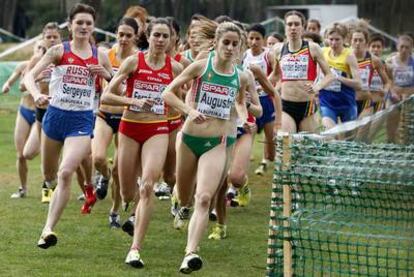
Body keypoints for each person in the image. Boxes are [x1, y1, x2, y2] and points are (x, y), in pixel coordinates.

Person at [163, 21, 250, 274]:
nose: (230, 48)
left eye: (235, 44)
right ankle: (181, 204)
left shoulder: (241, 76)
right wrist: (190, 110)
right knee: (185, 194)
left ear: (239, 47)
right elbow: (168, 93)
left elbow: (241, 103)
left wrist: (244, 116)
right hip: (190, 139)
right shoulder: (201, 67)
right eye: (226, 42)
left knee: (204, 198)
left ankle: (190, 253)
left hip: (217, 143)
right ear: (217, 43)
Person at [24, 3, 112, 249]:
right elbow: (29, 76)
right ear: (70, 25)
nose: (84, 27)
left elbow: (118, 85)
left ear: (93, 27)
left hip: (81, 121)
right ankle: (68, 186)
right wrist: (36, 94)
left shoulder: (100, 55)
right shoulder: (57, 51)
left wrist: (106, 75)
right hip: (54, 117)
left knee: (65, 172)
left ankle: (47, 229)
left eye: (88, 23)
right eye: (79, 22)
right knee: (50, 176)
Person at [101, 17, 182, 268]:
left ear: (171, 40)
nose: (160, 40)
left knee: (147, 186)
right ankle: (128, 203)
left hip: (157, 129)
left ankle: (135, 249)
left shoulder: (176, 68)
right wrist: (133, 102)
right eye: (156, 35)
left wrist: (178, 123)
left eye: (165, 36)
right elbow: (107, 95)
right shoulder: (134, 61)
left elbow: (180, 99)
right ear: (148, 36)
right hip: (129, 128)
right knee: (127, 192)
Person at [92, 17, 139, 228]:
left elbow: (126, 91)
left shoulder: (138, 59)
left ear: (135, 37)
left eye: (128, 35)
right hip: (104, 113)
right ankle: (103, 176)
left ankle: (114, 211)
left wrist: (109, 76)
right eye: (120, 34)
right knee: (98, 158)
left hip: (126, 118)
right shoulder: (106, 55)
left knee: (120, 170)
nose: (123, 39)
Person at [272, 11, 333, 134]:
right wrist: (258, 86)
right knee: (286, 146)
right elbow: (276, 75)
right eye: (289, 24)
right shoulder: (278, 49)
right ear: (285, 28)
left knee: (308, 150)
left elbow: (329, 75)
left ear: (303, 27)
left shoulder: (313, 48)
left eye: (296, 24)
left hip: (307, 107)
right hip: (286, 105)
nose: (293, 28)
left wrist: (317, 87)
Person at [2, 40, 49, 199]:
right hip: (24, 110)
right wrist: (7, 85)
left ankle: (47, 189)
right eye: (39, 47)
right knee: (20, 154)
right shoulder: (24, 65)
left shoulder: (50, 67)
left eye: (44, 48)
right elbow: (18, 83)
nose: (41, 50)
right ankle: (22, 188)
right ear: (34, 49)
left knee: (42, 154)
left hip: (41, 112)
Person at [23, 22, 62, 203]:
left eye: (55, 36)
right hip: (41, 111)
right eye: (49, 37)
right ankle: (49, 183)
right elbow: (24, 84)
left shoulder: (64, 56)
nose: (52, 39)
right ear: (43, 38)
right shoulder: (36, 60)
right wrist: (37, 79)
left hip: (62, 110)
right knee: (38, 153)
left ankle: (84, 184)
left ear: (61, 38)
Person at [242, 23, 279, 176]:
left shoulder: (268, 55)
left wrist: (263, 84)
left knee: (270, 143)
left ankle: (269, 159)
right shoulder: (244, 55)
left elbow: (277, 75)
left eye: (257, 38)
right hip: (250, 102)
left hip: (266, 100)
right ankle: (241, 165)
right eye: (251, 38)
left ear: (263, 40)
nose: (254, 41)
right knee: (247, 134)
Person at [318, 23, 362, 130]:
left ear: (344, 39)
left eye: (337, 39)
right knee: (330, 134)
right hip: (327, 102)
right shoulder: (322, 52)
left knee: (348, 142)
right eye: (331, 39)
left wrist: (338, 78)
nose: (334, 43)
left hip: (346, 103)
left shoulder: (349, 56)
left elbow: (359, 84)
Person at [351, 28, 389, 118]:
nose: (357, 43)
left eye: (360, 40)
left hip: (368, 101)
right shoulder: (345, 58)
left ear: (365, 43)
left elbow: (387, 82)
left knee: (362, 131)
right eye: (355, 40)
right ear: (351, 41)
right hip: (349, 101)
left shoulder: (375, 61)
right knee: (348, 131)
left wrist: (385, 91)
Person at [368, 34, 391, 112]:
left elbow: (389, 82)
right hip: (365, 101)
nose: (376, 49)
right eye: (373, 46)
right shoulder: (363, 64)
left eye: (378, 47)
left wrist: (385, 90)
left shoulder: (385, 65)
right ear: (368, 48)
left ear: (382, 48)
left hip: (379, 101)